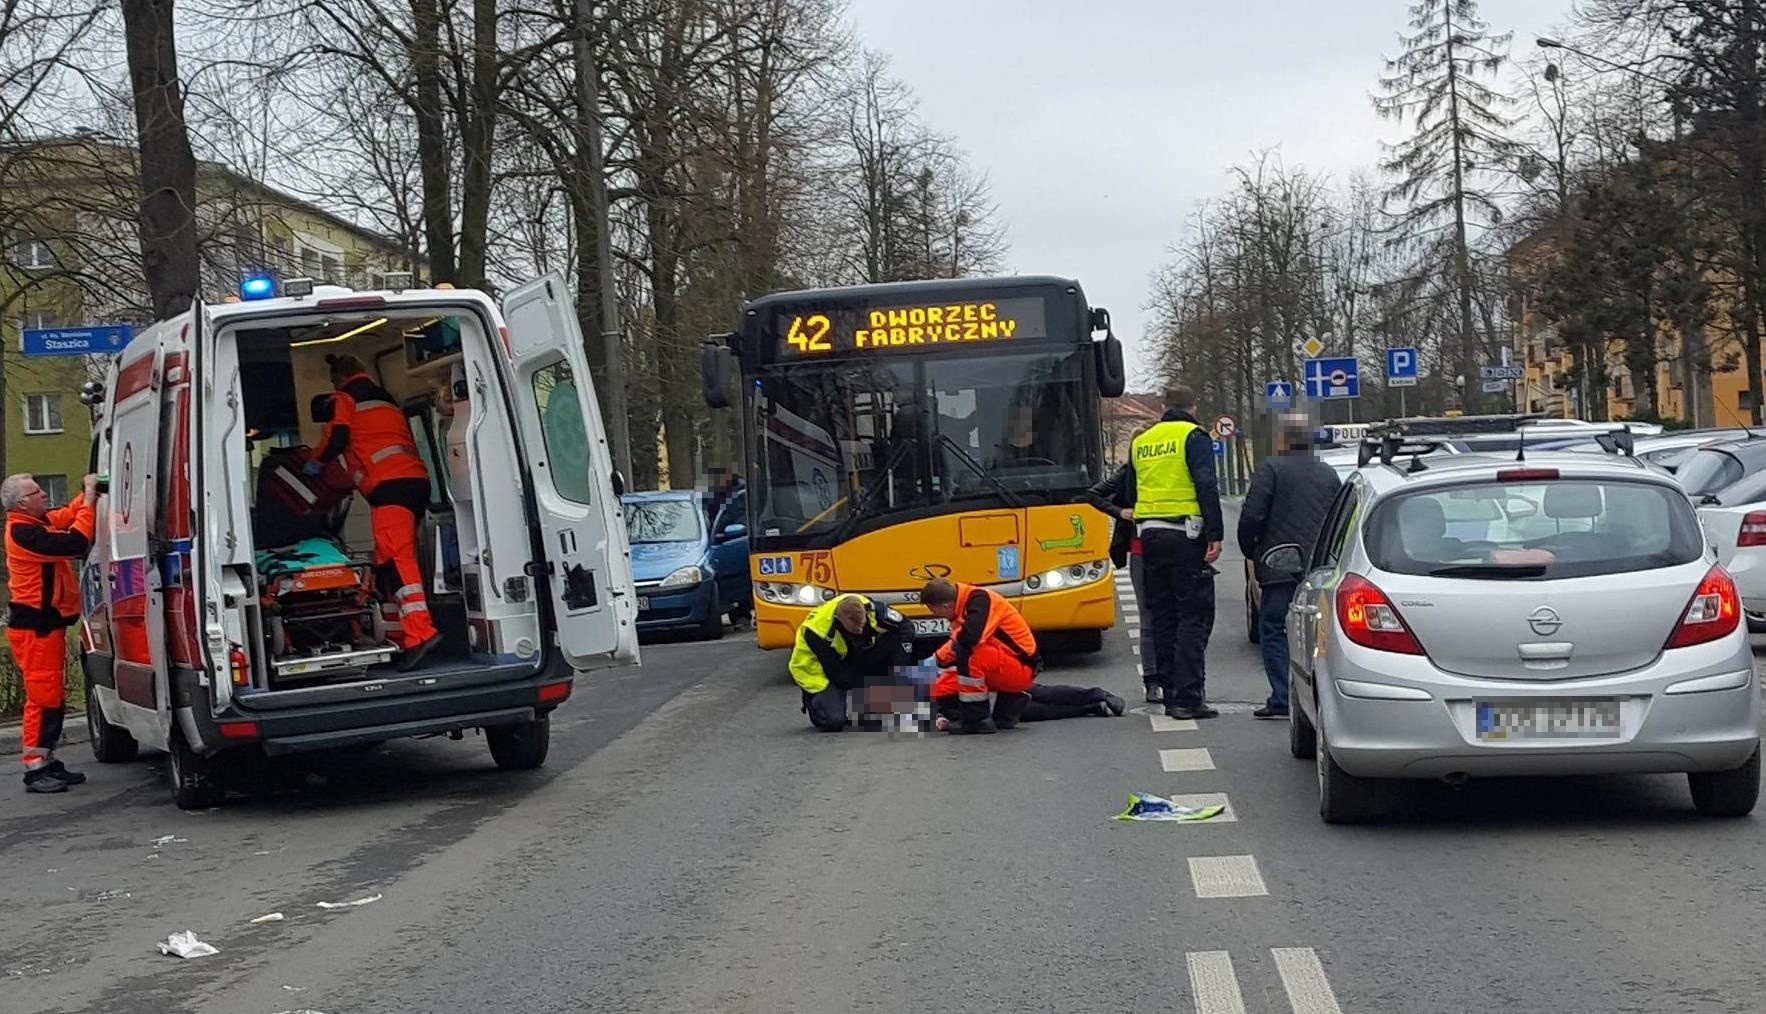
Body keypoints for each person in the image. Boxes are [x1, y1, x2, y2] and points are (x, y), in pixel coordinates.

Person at [310, 354, 442, 671]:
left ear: (339, 380)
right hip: (416, 482)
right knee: (387, 561)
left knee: (396, 560)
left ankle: (421, 634)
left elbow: (338, 437)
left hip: (389, 487)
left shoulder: (346, 398)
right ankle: (401, 634)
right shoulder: (387, 401)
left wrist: (315, 462)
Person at [1121, 385, 1223, 721]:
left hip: (1149, 536)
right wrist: (1215, 534)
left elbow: (1132, 491)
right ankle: (1188, 697)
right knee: (1192, 616)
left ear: (1163, 407)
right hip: (1186, 535)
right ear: (1193, 406)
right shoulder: (1193, 436)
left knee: (1162, 616)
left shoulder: (1143, 442)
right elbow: (1206, 484)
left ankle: (1167, 692)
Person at [1237, 413, 1342, 719]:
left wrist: (1254, 552)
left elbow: (1252, 516)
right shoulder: (1327, 473)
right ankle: (1315, 695)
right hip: (1321, 569)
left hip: (1280, 565)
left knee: (1273, 628)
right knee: (1317, 633)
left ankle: (1282, 697)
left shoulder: (1270, 470)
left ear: (1281, 440)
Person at [4, 472, 98, 794]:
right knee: (44, 700)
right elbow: (76, 542)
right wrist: (88, 501)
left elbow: (64, 516)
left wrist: (87, 499)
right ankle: (35, 767)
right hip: (36, 628)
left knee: (50, 698)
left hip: (42, 626)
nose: (43, 494)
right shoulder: (24, 533)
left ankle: (45, 760)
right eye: (36, 492)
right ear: (22, 502)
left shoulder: (33, 524)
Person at [919, 578, 1043, 733]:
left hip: (1019, 669)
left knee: (968, 653)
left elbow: (970, 639)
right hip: (1008, 666)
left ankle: (977, 720)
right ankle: (1007, 706)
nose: (935, 615)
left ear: (946, 605)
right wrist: (937, 660)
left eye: (934, 610)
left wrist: (936, 660)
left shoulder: (980, 602)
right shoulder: (967, 605)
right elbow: (959, 639)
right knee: (947, 678)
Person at [1086, 423, 1153, 700]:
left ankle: (1169, 678)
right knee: (1149, 618)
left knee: (1165, 617)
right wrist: (1121, 512)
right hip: (1141, 550)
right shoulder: (1127, 474)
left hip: (1166, 550)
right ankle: (1153, 680)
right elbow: (1093, 494)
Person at [788, 593, 909, 731]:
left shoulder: (872, 608)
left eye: (863, 626)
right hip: (818, 671)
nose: (860, 631)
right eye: (855, 629)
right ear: (839, 620)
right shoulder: (817, 632)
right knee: (834, 722)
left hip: (849, 654)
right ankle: (815, 702)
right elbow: (838, 675)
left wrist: (899, 668)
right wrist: (869, 687)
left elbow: (906, 627)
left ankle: (870, 707)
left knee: (894, 640)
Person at [927, 672, 1126, 731]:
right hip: (985, 702)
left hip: (992, 683)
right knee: (1037, 711)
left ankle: (1098, 694)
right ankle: (1091, 707)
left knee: (1044, 694)